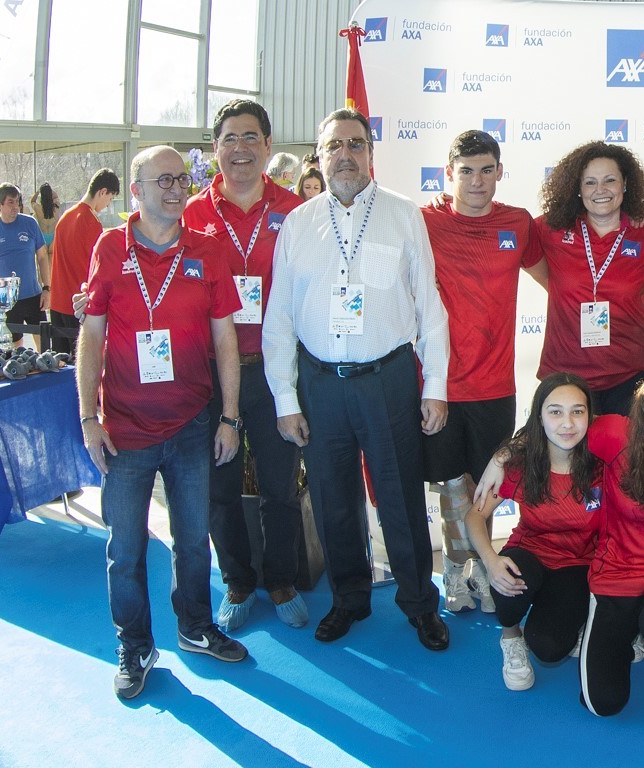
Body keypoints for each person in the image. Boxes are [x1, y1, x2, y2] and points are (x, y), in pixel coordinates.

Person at [262, 107, 451, 651]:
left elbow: (429, 305)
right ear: (319, 156)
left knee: (400, 497)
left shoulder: (403, 215)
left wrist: (435, 387)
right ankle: (349, 599)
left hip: (388, 379)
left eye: (355, 144)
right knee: (332, 498)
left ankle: (419, 603)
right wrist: (285, 399)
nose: (344, 155)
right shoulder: (298, 224)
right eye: (334, 146)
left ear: (370, 152)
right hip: (320, 383)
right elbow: (279, 317)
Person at [77, 145, 246, 700]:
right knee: (125, 550)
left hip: (193, 424)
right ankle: (135, 645)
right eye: (162, 181)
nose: (176, 189)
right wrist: (88, 417)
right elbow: (92, 336)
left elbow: (225, 338)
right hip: (125, 432)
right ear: (136, 191)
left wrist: (229, 416)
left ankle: (195, 625)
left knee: (193, 540)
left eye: (181, 179)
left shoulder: (208, 251)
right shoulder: (109, 247)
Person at [482, 371, 644, 715]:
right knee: (602, 703)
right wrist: (503, 455)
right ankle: (626, 635)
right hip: (613, 575)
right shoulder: (615, 437)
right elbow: (562, 424)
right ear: (639, 423)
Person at [184, 99, 307, 632]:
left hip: (277, 369)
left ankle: (280, 580)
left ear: (268, 145)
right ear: (215, 148)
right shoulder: (192, 213)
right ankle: (237, 580)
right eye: (230, 138)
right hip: (213, 372)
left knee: (280, 485)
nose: (240, 148)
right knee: (220, 486)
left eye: (251, 137)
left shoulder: (296, 210)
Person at [420, 129, 539, 614]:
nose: (476, 181)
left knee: (486, 484)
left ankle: (483, 567)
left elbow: (560, 279)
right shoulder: (423, 221)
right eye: (466, 171)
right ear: (448, 174)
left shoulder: (518, 223)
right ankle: (455, 568)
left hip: (495, 385)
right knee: (452, 487)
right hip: (441, 385)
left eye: (486, 170)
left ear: (499, 172)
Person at [466, 373, 602, 691]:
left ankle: (563, 614)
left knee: (549, 647)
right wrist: (490, 560)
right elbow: (474, 516)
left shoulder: (604, 462)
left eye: (577, 411)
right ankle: (511, 636)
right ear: (539, 417)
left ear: (589, 416)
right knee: (507, 582)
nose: (567, 423)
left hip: (578, 564)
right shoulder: (520, 464)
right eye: (555, 412)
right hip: (530, 553)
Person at [527, 141, 644, 416]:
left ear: (625, 184)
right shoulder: (552, 229)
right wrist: (453, 204)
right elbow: (499, 228)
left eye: (610, 180)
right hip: (565, 377)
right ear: (577, 188)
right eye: (590, 182)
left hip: (630, 377)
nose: (600, 190)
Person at [50, 169, 120, 355]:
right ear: (102, 192)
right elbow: (99, 269)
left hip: (57, 303)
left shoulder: (65, 217)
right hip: (79, 305)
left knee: (60, 363)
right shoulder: (91, 222)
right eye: (110, 198)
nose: (108, 205)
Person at [0, 183, 52, 343]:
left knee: (44, 346)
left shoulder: (30, 223)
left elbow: (42, 256)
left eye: (17, 201)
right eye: (10, 202)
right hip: (6, 300)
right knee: (14, 351)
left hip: (33, 296)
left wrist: (47, 288)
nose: (16, 207)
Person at [31, 182, 63, 248]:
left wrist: (38, 191)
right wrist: (49, 189)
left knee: (43, 255)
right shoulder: (56, 207)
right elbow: (56, 196)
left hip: (42, 237)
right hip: (53, 237)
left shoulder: (38, 208)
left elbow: (32, 201)